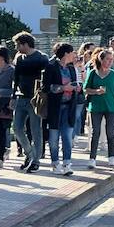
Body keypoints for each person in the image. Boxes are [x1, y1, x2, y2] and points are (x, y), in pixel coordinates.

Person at [11, 31, 50, 173]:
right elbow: (15, 78)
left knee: (35, 130)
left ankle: (36, 160)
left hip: (35, 99)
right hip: (21, 97)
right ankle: (30, 153)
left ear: (25, 44)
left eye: (18, 45)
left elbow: (46, 78)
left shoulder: (41, 58)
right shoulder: (19, 58)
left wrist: (44, 97)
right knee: (17, 128)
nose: (16, 48)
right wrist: (13, 96)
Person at [45, 42, 81, 175]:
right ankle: (55, 164)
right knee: (53, 138)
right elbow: (46, 88)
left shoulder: (71, 68)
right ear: (66, 53)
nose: (74, 55)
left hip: (69, 106)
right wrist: (63, 88)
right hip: (55, 108)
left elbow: (75, 83)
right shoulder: (51, 67)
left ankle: (67, 163)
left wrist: (77, 88)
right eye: (72, 53)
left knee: (67, 135)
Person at [84, 49, 114, 168]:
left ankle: (111, 157)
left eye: (111, 59)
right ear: (101, 59)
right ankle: (92, 158)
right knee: (96, 133)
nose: (110, 61)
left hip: (111, 107)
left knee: (110, 133)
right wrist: (96, 91)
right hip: (95, 107)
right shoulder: (92, 73)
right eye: (108, 59)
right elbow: (86, 89)